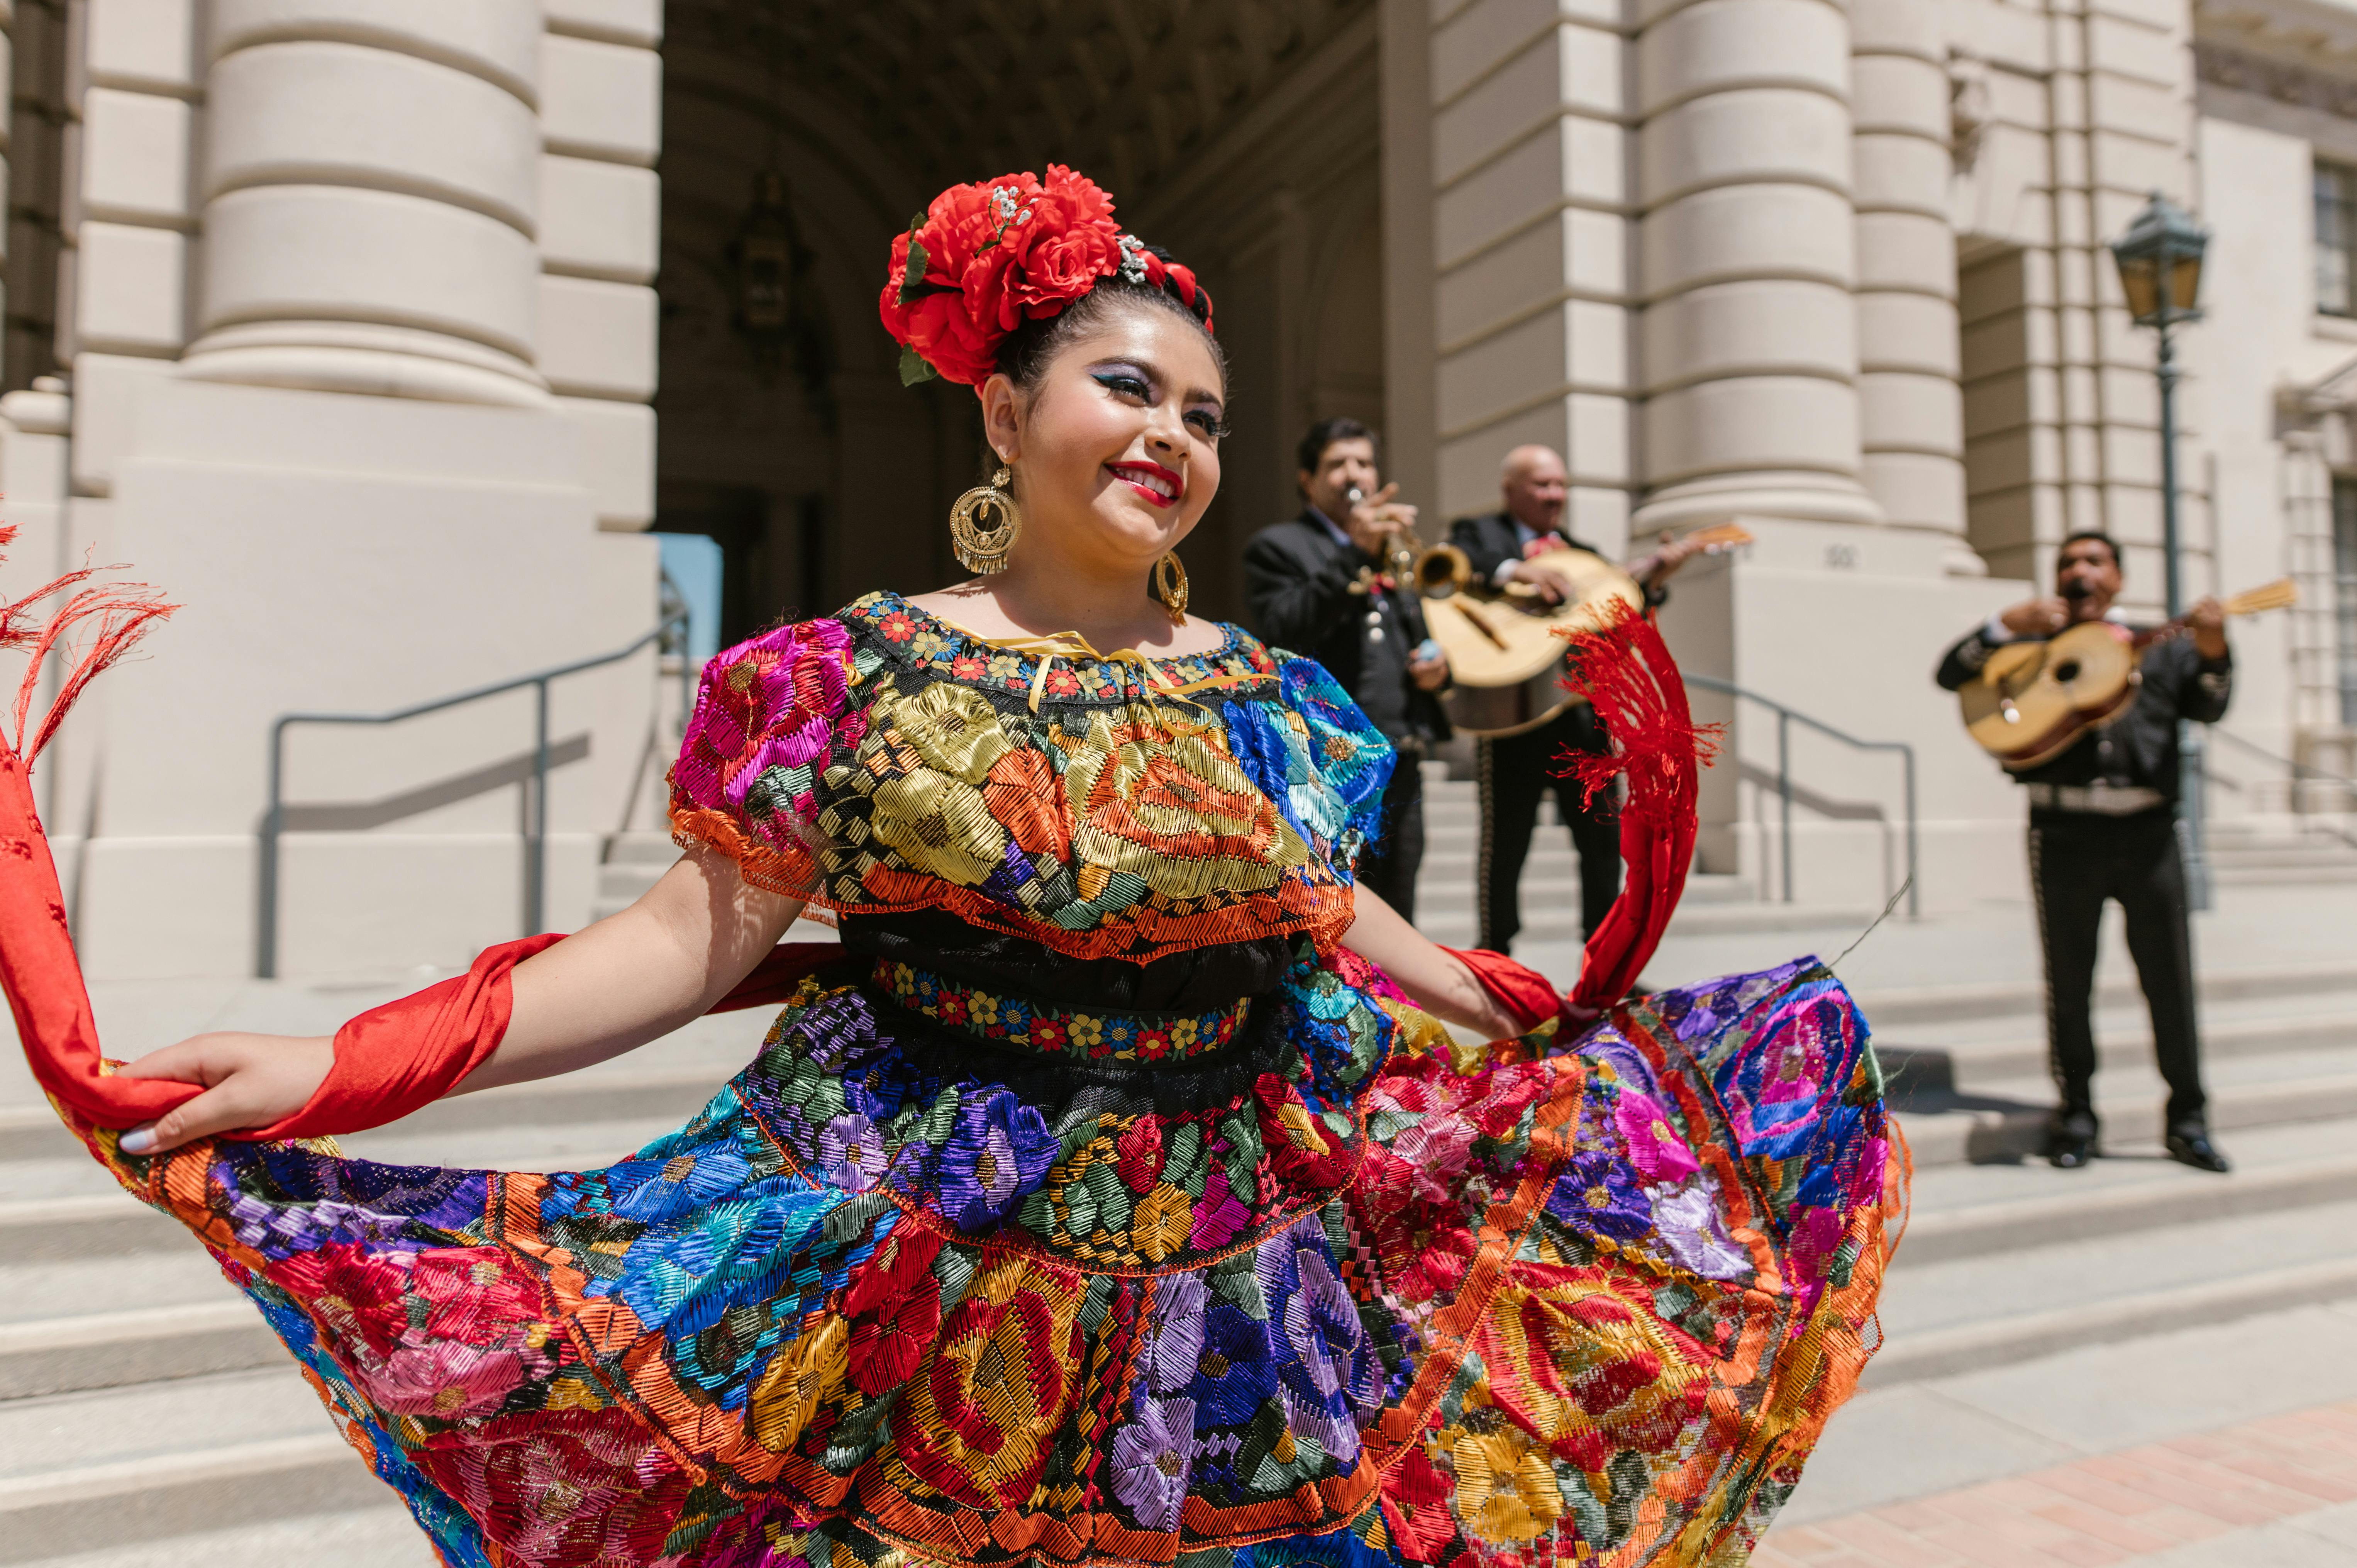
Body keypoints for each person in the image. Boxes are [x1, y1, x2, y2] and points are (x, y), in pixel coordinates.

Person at [0, 164, 1901, 1568]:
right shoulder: (835, 681)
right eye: (1127, 390)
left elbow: (1332, 914)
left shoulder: (1281, 702)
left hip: (1255, 1235)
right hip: (917, 1240)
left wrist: (1519, 1002)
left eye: (1202, 414)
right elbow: (670, 949)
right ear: (1003, 411)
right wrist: (337, 1068)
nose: (1169, 436)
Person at [1935, 529, 2234, 1175]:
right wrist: (1998, 623)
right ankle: (2076, 1116)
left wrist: (2214, 654)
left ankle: (2187, 1119)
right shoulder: (2030, 647)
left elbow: (2209, 707)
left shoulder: (2163, 647)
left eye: (2094, 562)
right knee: (2067, 983)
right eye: (2068, 562)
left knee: (2169, 981)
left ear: (2118, 579)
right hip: (2061, 833)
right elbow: (1950, 673)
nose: (2080, 573)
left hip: (2149, 834)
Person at [1448, 445, 1709, 952]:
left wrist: (1651, 583)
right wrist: (1514, 570)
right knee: (1505, 845)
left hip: (1580, 720)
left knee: (1601, 845)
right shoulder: (1479, 535)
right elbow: (1456, 565)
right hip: (1512, 718)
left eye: (1560, 485)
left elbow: (1617, 623)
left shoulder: (1583, 554)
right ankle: (1494, 956)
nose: (1555, 495)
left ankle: (1603, 958)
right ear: (1511, 490)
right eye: (1542, 485)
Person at [1241, 417, 1450, 922]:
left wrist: (1439, 670)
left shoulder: (1393, 548)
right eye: (1337, 464)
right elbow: (1285, 628)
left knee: (1402, 903)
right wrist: (1352, 552)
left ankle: (1394, 1000)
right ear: (1307, 480)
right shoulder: (1279, 546)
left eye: (1363, 462)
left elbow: (1417, 633)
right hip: (1326, 761)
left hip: (1400, 754)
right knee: (1335, 907)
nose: (1353, 473)